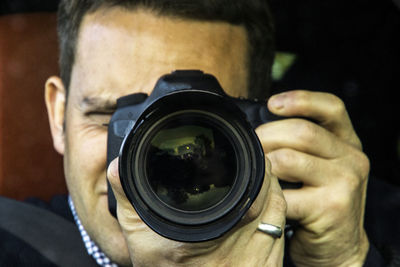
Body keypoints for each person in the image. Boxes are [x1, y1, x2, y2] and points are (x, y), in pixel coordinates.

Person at [1, 0, 399, 266]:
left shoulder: (338, 238)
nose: (152, 163)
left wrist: (348, 260)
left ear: (260, 130)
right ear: (58, 116)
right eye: (110, 115)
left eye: (200, 129)